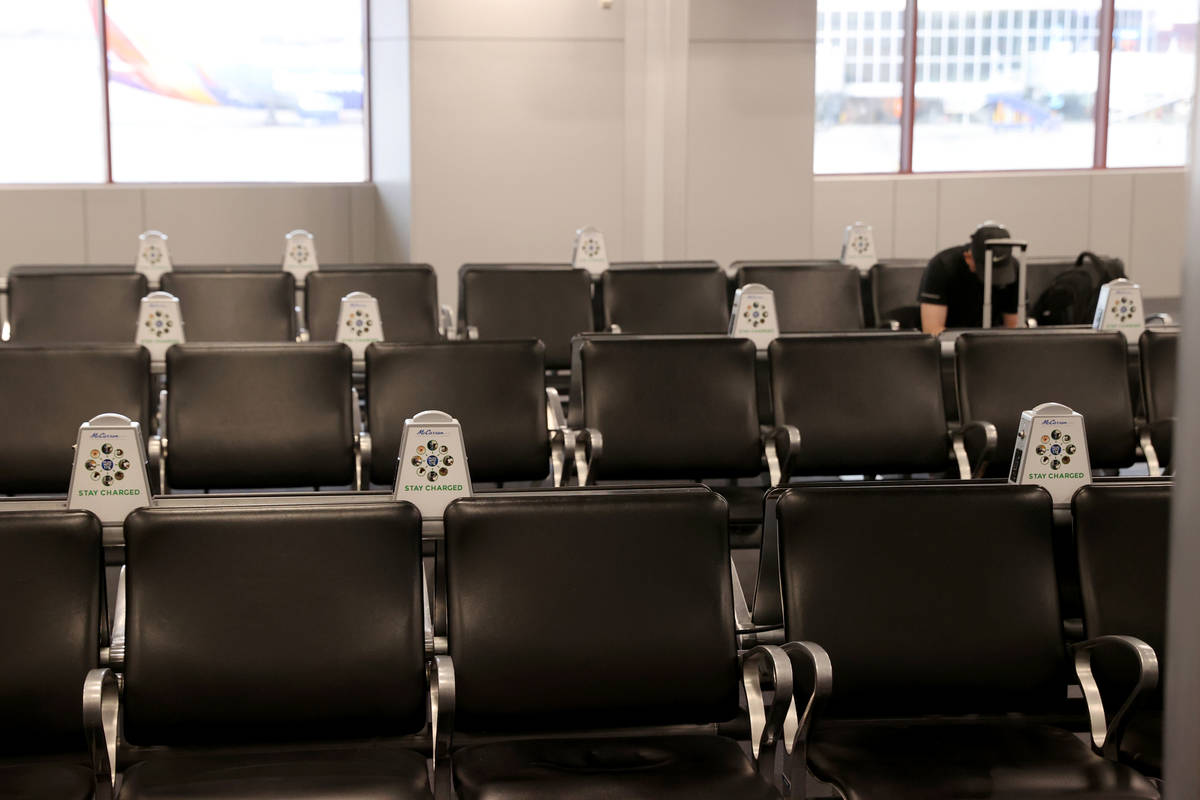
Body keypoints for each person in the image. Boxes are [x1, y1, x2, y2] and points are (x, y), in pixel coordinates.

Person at [919, 222, 1021, 336]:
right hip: (950, 343)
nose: (992, 277)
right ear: (969, 257)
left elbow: (1014, 328)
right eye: (985, 269)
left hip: (995, 342)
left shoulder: (1013, 269)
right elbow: (932, 330)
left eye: (998, 271)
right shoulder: (942, 265)